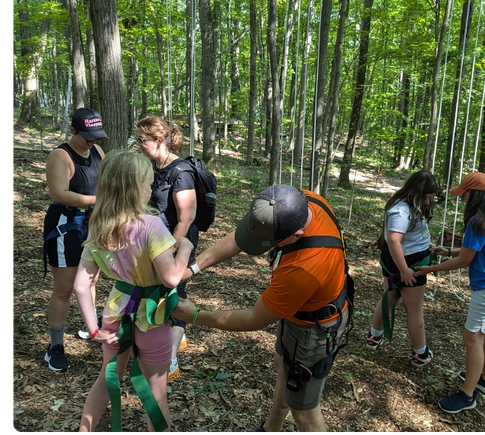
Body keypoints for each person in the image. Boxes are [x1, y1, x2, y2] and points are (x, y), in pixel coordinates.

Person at [173, 184, 352, 433]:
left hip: (314, 330)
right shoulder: (295, 202)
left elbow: (254, 319)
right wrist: (192, 268)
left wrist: (194, 315)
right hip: (296, 311)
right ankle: (271, 428)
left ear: (296, 234)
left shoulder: (304, 269)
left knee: (304, 412)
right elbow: (240, 238)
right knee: (283, 367)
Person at [73, 150, 194, 433]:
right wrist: (185, 247)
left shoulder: (100, 225)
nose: (151, 189)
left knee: (107, 376)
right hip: (151, 315)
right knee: (156, 388)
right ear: (135, 187)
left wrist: (94, 330)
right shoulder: (151, 226)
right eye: (148, 183)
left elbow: (82, 284)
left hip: (116, 313)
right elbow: (171, 277)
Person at [415, 171, 485, 414]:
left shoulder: (479, 221)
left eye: (464, 194)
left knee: (472, 338)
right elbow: (476, 251)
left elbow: (465, 261)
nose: (461, 199)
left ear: (474, 195)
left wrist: (429, 269)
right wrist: (448, 251)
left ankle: (467, 395)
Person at [43, 107, 107, 371]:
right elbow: (59, 193)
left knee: (91, 278)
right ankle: (55, 346)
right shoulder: (60, 155)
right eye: (86, 135)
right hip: (66, 224)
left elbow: (103, 182)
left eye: (95, 136)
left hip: (94, 221)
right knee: (65, 287)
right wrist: (99, 200)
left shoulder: (97, 152)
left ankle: (88, 325)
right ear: (73, 131)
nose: (91, 141)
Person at [135, 116, 198, 381]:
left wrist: (173, 250)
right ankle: (164, 342)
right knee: (156, 293)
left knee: (174, 294)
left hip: (177, 243)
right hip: (155, 242)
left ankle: (170, 359)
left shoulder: (181, 172)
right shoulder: (153, 167)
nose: (138, 144)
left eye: (142, 140)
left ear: (159, 141)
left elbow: (187, 217)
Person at [366, 170, 437, 368]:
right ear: (417, 192)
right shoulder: (401, 210)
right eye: (427, 197)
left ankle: (374, 336)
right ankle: (421, 354)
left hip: (403, 262)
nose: (429, 201)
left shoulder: (410, 205)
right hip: (408, 266)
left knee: (388, 298)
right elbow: (393, 240)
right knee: (414, 310)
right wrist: (405, 270)